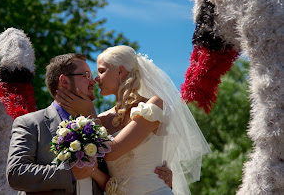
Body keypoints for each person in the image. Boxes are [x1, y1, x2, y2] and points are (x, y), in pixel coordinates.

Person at [6, 53, 172, 195]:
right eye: (85, 75)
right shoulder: (31, 123)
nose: (93, 81)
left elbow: (120, 172)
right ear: (64, 82)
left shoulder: (100, 124)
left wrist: (160, 178)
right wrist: (70, 173)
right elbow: (16, 173)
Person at [56, 46, 211, 195]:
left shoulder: (153, 106)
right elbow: (98, 169)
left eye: (102, 71)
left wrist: (90, 111)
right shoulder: (100, 119)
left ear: (120, 71)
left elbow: (111, 152)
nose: (96, 79)